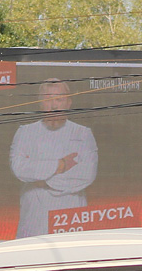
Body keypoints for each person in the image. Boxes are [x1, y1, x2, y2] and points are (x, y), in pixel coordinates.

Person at [9, 79, 98, 237]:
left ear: (68, 102)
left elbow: (87, 174)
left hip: (71, 219)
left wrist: (42, 179)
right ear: (40, 102)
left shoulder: (83, 134)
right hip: (34, 219)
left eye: (59, 99)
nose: (54, 106)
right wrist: (61, 165)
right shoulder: (25, 132)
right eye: (48, 100)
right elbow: (19, 168)